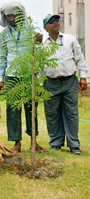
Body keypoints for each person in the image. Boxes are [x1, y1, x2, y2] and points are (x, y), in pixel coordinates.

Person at [0, 1, 46, 153]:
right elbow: (2, 56)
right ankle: (16, 142)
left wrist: (38, 38)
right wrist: (1, 79)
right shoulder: (4, 34)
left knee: (31, 108)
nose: (11, 18)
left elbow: (39, 42)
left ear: (20, 15)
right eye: (8, 16)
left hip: (28, 74)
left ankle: (34, 141)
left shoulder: (32, 26)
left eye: (14, 15)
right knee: (12, 111)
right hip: (12, 76)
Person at [43, 14, 88, 154]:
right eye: (52, 22)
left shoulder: (70, 39)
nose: (56, 22)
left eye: (57, 20)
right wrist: (38, 85)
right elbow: (38, 66)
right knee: (52, 114)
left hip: (69, 81)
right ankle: (56, 143)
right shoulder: (42, 44)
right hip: (50, 83)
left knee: (72, 113)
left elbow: (79, 58)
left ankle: (74, 145)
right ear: (46, 27)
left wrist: (83, 77)